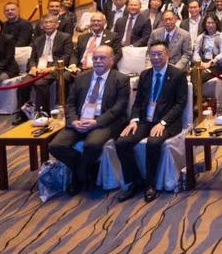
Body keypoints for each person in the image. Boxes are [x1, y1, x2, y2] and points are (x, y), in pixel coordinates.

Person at [48, 45, 131, 193]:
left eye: (102, 58)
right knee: (55, 146)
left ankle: (77, 177)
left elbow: (119, 107)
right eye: (95, 58)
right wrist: (73, 120)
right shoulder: (81, 78)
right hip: (80, 119)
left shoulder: (121, 79)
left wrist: (96, 122)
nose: (98, 61)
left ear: (112, 60)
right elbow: (70, 103)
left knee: (92, 144)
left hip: (105, 121)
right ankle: (86, 170)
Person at [115, 44, 188, 203]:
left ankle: (150, 184)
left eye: (159, 54)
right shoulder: (145, 75)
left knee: (153, 143)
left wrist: (163, 122)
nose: (156, 58)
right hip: (145, 120)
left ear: (167, 54)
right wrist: (134, 120)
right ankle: (134, 181)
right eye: (152, 54)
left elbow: (180, 104)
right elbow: (138, 102)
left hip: (167, 122)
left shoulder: (178, 75)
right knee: (122, 142)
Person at [14, 14, 73, 124]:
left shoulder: (65, 37)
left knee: (40, 83)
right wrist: (32, 67)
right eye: (45, 23)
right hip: (38, 68)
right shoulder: (38, 40)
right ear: (41, 26)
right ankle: (22, 114)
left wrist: (51, 68)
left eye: (51, 22)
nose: (48, 25)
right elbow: (32, 58)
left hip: (56, 67)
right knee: (22, 84)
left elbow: (67, 56)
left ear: (57, 24)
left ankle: (42, 113)